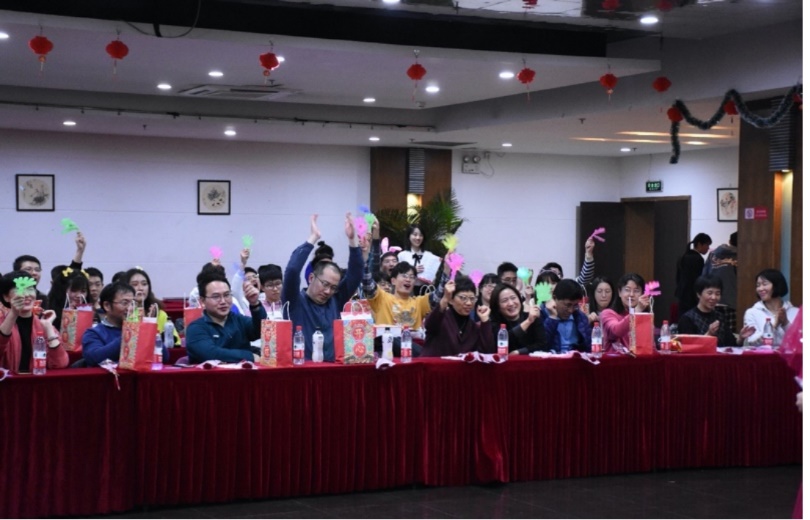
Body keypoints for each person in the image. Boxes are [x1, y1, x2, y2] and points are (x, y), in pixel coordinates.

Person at [283, 213, 363, 362]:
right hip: (302, 370)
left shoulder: (335, 300)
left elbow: (356, 274)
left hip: (333, 369)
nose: (328, 291)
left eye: (333, 287)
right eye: (325, 284)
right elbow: (292, 270)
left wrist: (353, 240)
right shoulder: (294, 301)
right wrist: (313, 238)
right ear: (311, 278)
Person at [82, 282, 170, 367]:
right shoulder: (93, 333)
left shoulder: (140, 330)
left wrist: (148, 328)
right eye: (125, 303)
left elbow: (164, 357)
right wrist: (130, 334)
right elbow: (94, 358)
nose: (130, 308)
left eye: (133, 303)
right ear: (107, 306)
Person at [185, 273, 266, 363]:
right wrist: (249, 356)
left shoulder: (239, 320)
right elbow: (210, 354)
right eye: (216, 297)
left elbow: (263, 330)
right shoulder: (196, 328)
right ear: (202, 301)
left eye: (227, 295)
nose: (223, 301)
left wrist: (255, 304)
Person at [0, 271, 68, 372]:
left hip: (35, 380)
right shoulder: (2, 323)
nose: (26, 294)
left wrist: (49, 329)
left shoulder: (42, 325)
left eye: (30, 289)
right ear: (6, 297)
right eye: (19, 289)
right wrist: (14, 313)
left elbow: (60, 363)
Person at [421, 275, 493, 357]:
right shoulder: (440, 319)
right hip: (433, 364)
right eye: (463, 298)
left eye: (472, 298)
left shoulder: (473, 327)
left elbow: (486, 352)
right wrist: (445, 299)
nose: (469, 303)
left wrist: (485, 321)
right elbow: (429, 325)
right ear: (451, 300)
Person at [678, 275, 754, 346]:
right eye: (709, 293)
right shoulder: (687, 319)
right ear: (698, 294)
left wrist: (741, 338)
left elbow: (731, 345)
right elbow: (689, 347)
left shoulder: (720, 317)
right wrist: (709, 334)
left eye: (717, 294)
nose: (714, 297)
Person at [742, 268, 799, 346]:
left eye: (765, 284)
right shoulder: (752, 312)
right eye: (758, 285)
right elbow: (752, 342)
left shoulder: (796, 312)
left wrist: (785, 323)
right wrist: (773, 326)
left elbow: (800, 340)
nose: (760, 289)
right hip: (763, 354)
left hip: (789, 354)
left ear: (777, 285)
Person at [124, 268, 180, 346]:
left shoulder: (159, 313)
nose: (140, 288)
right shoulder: (123, 313)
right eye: (135, 284)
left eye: (144, 284)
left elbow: (175, 342)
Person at [488, 283, 546, 355]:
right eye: (504, 300)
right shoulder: (494, 324)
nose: (511, 303)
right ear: (497, 307)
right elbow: (502, 342)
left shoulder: (532, 317)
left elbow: (543, 345)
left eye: (513, 298)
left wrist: (519, 352)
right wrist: (528, 321)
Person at [600, 273, 651, 352]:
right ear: (619, 292)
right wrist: (636, 311)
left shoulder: (644, 317)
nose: (631, 294)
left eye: (636, 291)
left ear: (642, 294)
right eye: (627, 290)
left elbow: (649, 346)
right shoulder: (607, 313)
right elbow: (616, 331)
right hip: (616, 359)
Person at [702, 232, 739, 331]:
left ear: (729, 241)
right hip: (732, 301)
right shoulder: (741, 256)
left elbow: (704, 276)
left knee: (713, 332)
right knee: (731, 334)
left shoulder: (713, 254)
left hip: (711, 300)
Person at [544, 279, 593, 353]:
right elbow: (541, 347)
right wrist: (552, 318)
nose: (571, 310)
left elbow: (589, 348)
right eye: (568, 305)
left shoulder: (581, 318)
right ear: (554, 298)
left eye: (575, 305)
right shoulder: (541, 315)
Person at [675, 232, 712, 318]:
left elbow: (678, 277)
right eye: (707, 245)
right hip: (692, 296)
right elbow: (698, 279)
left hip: (682, 294)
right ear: (699, 244)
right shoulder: (698, 259)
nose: (708, 248)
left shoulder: (683, 256)